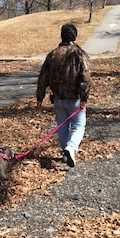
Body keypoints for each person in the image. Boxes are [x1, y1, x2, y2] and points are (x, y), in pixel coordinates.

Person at [36, 23, 91, 167]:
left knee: (62, 126)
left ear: (62, 36)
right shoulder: (79, 54)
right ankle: (71, 148)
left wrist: (40, 96)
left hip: (58, 99)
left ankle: (66, 152)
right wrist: (84, 98)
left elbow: (43, 76)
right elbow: (85, 77)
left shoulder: (52, 54)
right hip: (75, 99)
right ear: (75, 36)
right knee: (79, 126)